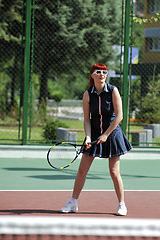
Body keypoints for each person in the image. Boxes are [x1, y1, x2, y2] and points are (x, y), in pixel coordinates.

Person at [60, 63, 132, 216]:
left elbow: (119, 116)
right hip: (93, 134)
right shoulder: (88, 94)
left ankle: (122, 204)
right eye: (98, 72)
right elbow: (87, 119)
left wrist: (106, 134)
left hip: (112, 134)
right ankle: (73, 202)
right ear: (92, 75)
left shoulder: (113, 91)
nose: (102, 74)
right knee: (81, 171)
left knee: (114, 172)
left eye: (104, 72)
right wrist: (87, 136)